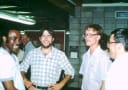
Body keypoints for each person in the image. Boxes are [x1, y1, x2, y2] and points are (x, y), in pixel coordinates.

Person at [79, 24, 111, 90]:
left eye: (90, 35)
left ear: (98, 37)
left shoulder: (104, 57)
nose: (87, 37)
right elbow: (84, 77)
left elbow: (105, 82)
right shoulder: (85, 56)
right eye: (86, 34)